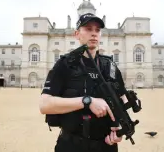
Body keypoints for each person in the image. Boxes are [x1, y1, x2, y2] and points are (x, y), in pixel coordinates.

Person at [39, 13, 128, 152]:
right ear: (77, 34)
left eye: (97, 30)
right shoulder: (64, 64)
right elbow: (44, 105)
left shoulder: (110, 66)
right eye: (88, 29)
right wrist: (87, 101)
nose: (94, 34)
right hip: (71, 145)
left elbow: (122, 99)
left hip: (106, 146)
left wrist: (120, 127)